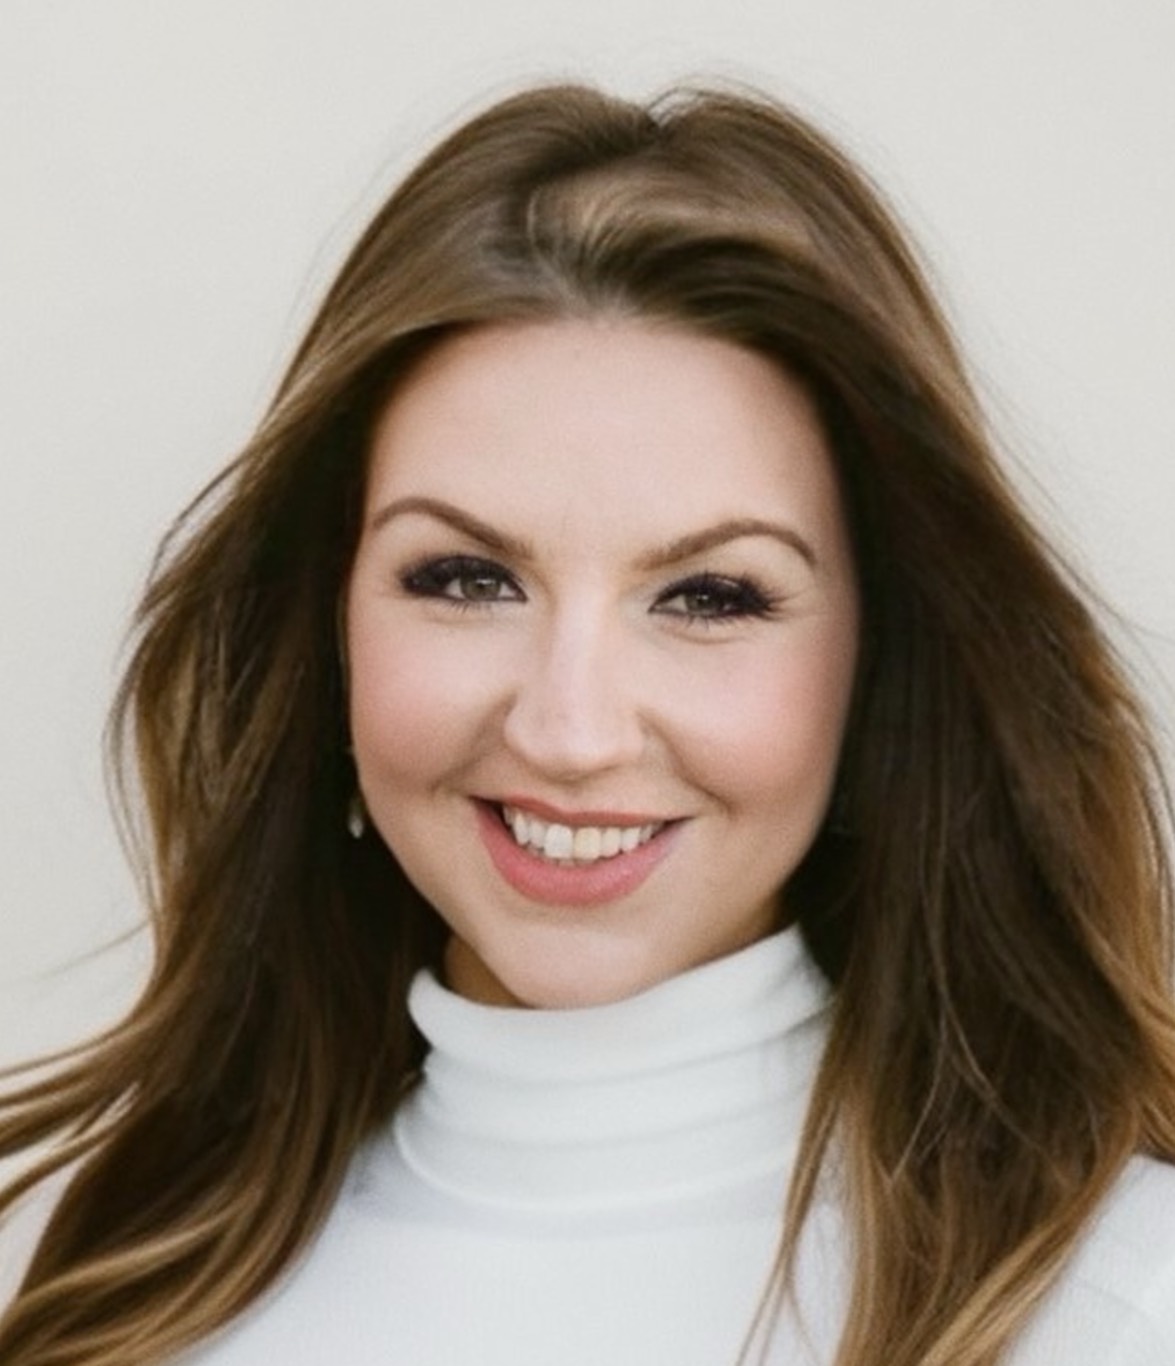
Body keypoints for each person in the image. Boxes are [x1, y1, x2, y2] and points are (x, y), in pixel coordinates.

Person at [2, 80, 1174, 1366]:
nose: (569, 732)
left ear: (881, 664)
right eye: (465, 579)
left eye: (710, 596)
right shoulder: (91, 1280)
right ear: (326, 629)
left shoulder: (1117, 1306)